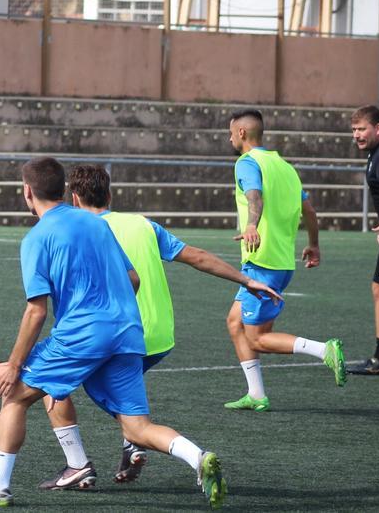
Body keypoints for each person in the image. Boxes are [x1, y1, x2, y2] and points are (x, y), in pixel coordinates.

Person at [0, 157, 226, 509]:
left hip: (83, 335)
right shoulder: (96, 225)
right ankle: (199, 458)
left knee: (16, 396)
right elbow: (132, 279)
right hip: (128, 332)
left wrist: (13, 363)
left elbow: (36, 310)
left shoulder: (37, 237)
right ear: (62, 189)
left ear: (27, 192)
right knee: (137, 428)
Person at [37, 163, 281, 491]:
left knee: (54, 384)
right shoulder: (143, 225)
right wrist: (247, 279)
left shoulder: (78, 231)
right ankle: (133, 444)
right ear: (109, 195)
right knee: (124, 405)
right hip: (159, 337)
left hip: (112, 336)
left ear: (75, 198)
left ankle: (79, 463)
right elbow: (195, 256)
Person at [222, 109, 345, 411]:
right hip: (279, 263)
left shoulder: (247, 163)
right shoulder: (285, 167)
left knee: (258, 339)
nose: (228, 138)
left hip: (263, 263)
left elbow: (255, 197)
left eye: (230, 132)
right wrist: (313, 245)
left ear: (241, 134)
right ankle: (256, 394)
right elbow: (311, 213)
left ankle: (323, 350)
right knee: (235, 322)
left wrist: (251, 225)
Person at [348, 105, 379, 374]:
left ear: (378, 129)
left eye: (362, 129)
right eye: (354, 130)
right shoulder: (375, 154)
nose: (356, 135)